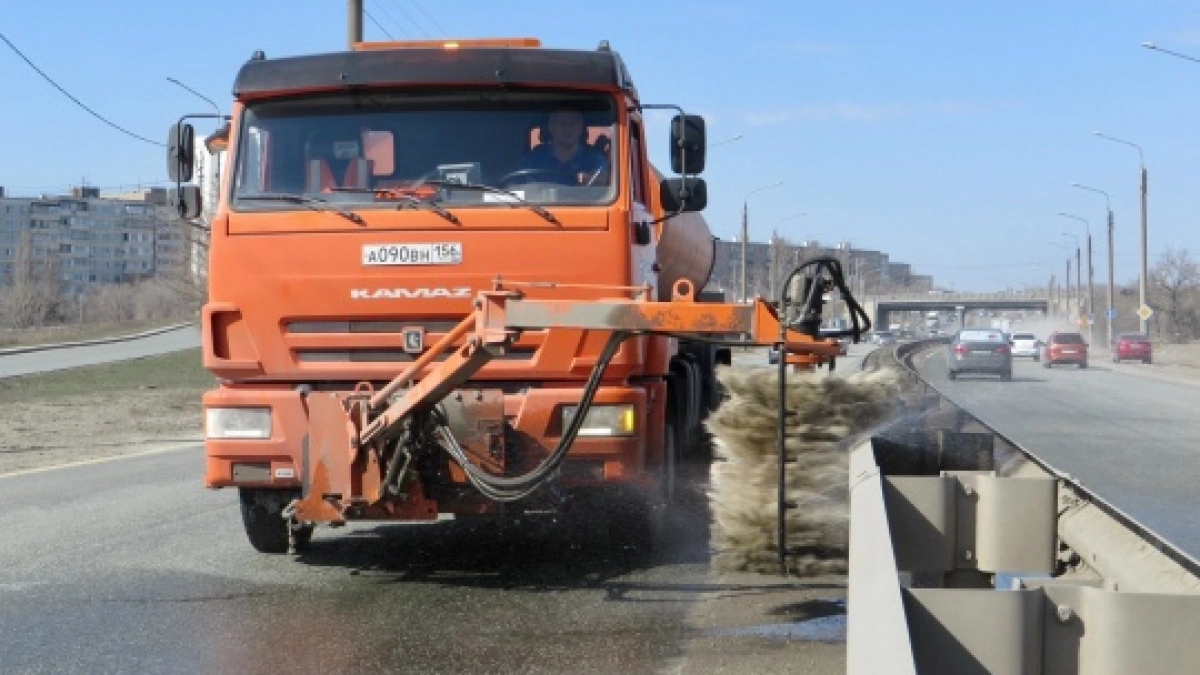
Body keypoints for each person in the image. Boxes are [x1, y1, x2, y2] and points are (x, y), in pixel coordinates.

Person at [513, 108, 609, 186]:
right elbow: (515, 187)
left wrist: (592, 180)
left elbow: (605, 181)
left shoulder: (595, 160)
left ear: (581, 128)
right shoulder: (531, 161)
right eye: (562, 124)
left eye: (573, 124)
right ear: (551, 127)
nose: (568, 128)